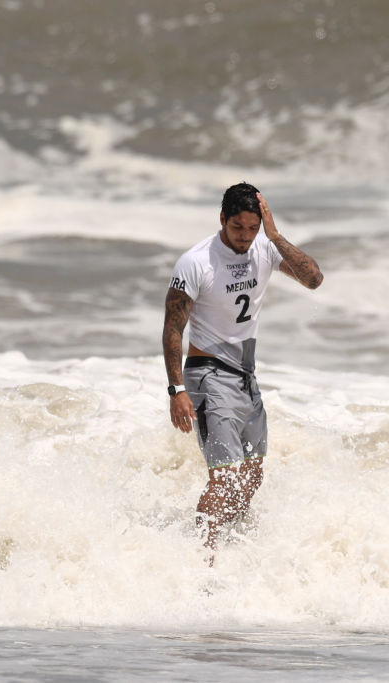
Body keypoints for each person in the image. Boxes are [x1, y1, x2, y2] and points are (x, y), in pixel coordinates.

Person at [162, 183, 323, 561]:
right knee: (225, 477)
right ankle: (199, 560)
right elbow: (173, 328)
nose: (245, 237)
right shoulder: (196, 261)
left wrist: (275, 235)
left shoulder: (265, 248)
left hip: (246, 378)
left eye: (253, 228)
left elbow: (313, 278)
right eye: (238, 228)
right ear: (222, 219)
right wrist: (176, 390)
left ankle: (223, 548)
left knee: (251, 477)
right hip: (207, 375)